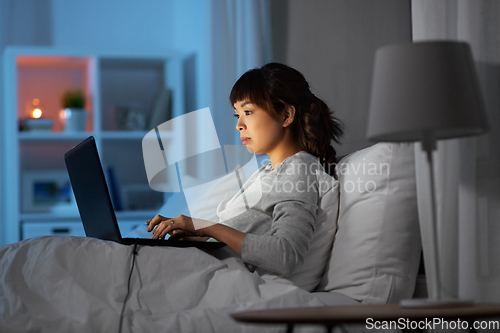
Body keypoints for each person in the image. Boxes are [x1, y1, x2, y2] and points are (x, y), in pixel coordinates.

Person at [146, 62, 343, 278]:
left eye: (248, 112)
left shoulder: (298, 170)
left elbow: (286, 255)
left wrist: (206, 227)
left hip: (221, 279)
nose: (239, 124)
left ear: (286, 115)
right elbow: (248, 235)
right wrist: (197, 236)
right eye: (237, 115)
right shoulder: (268, 171)